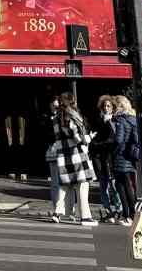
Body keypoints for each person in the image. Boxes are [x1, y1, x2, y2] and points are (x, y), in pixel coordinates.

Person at [50, 92, 97, 226]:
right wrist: (89, 138)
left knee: (65, 185)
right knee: (82, 185)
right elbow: (76, 138)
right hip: (76, 155)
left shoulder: (56, 118)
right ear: (71, 102)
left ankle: (57, 213)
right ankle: (85, 217)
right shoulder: (70, 116)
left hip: (63, 156)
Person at [91, 95, 122, 223]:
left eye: (108, 106)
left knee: (113, 185)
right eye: (104, 106)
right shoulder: (98, 121)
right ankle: (108, 211)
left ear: (112, 108)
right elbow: (94, 137)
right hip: (100, 158)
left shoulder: (114, 121)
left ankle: (119, 210)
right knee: (103, 186)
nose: (106, 108)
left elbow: (112, 140)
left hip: (110, 158)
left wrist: (98, 144)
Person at [46, 98, 75, 220]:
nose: (56, 108)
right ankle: (57, 209)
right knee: (55, 183)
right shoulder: (47, 119)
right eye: (54, 106)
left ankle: (70, 210)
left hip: (66, 152)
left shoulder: (65, 117)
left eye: (57, 106)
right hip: (53, 152)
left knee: (68, 182)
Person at [113, 95, 139, 226]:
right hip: (131, 156)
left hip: (121, 155)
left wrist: (114, 152)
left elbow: (118, 139)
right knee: (129, 185)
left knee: (121, 185)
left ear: (119, 106)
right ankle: (132, 215)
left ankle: (127, 215)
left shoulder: (120, 120)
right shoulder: (133, 119)